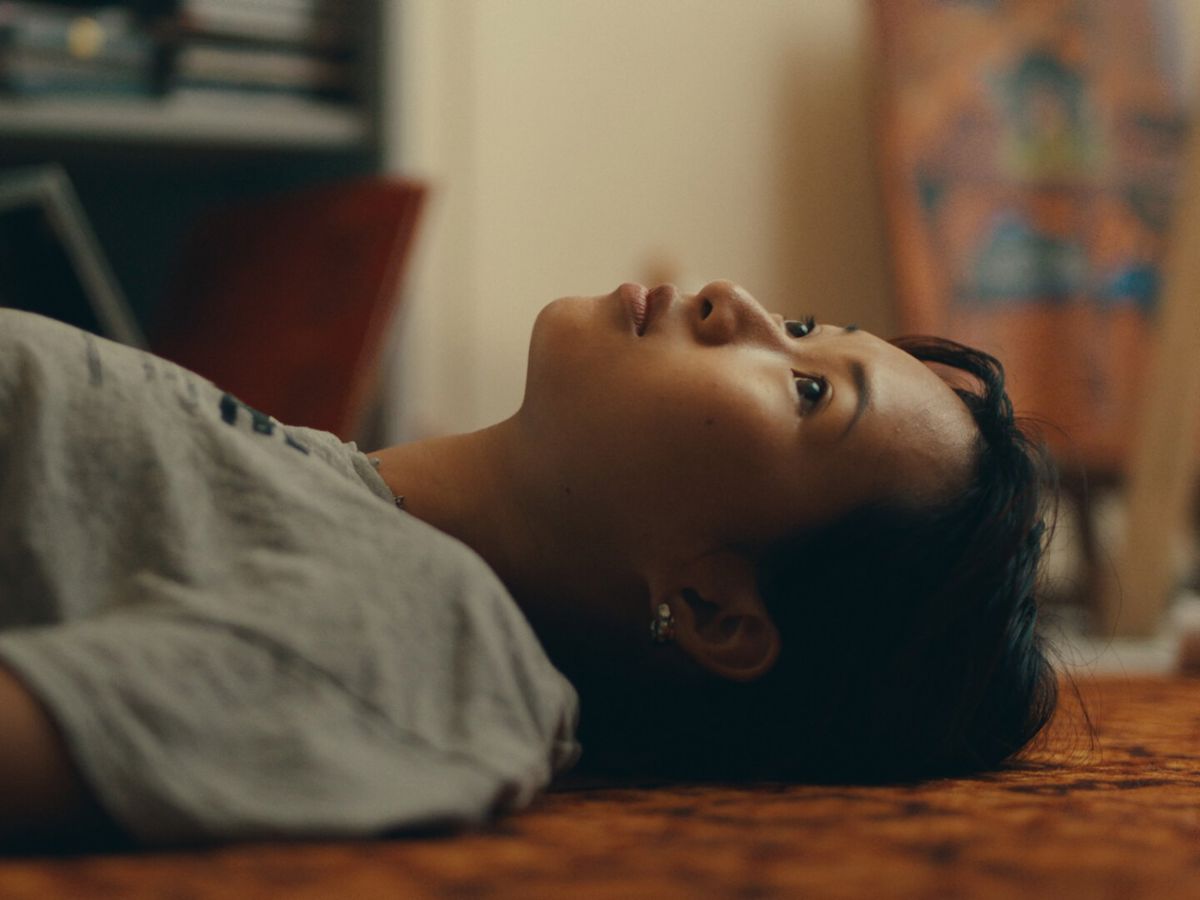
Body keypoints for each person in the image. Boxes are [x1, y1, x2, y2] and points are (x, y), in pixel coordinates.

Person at [0, 279, 1060, 849]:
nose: (731, 300)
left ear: (712, 609)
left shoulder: (422, 634)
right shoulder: (329, 491)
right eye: (804, 327)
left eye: (809, 392)